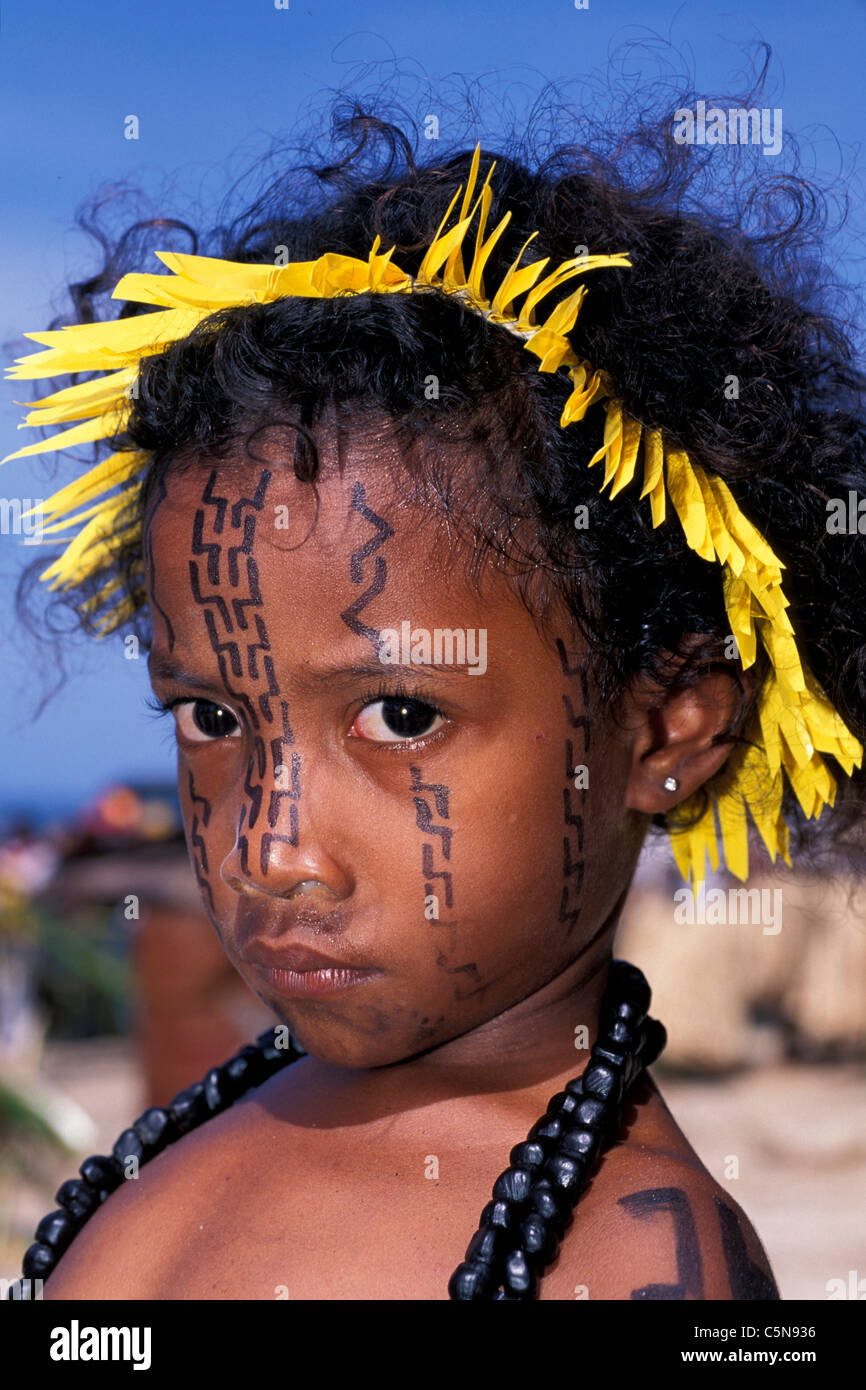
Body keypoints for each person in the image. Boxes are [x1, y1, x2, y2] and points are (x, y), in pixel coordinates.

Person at [5, 86, 864, 1300]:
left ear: (666, 724)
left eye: (400, 715)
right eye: (211, 717)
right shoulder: (215, 1127)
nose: (270, 848)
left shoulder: (624, 1262)